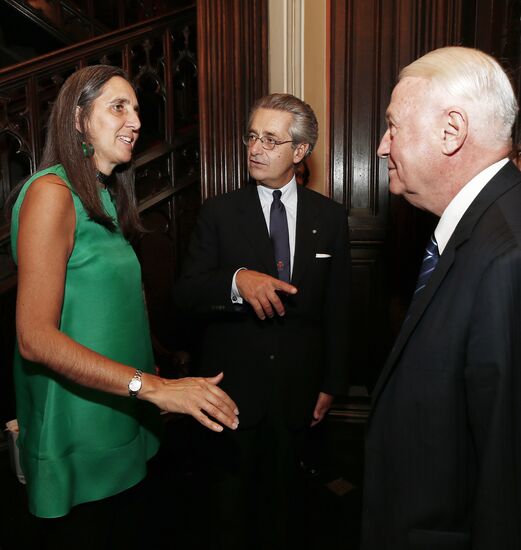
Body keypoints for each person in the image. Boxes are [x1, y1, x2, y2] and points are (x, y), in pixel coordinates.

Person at [8, 64, 238, 549]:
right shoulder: (52, 194)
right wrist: (154, 387)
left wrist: (148, 360)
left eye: (137, 108)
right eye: (118, 107)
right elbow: (35, 338)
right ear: (77, 120)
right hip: (79, 428)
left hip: (121, 412)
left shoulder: (105, 198)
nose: (134, 120)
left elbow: (108, 306)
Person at [174, 93, 350, 549]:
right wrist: (236, 281)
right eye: (252, 136)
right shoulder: (218, 212)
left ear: (299, 152)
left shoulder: (329, 217)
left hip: (299, 392)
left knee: (288, 514)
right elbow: (186, 294)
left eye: (271, 140)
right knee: (227, 515)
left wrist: (332, 383)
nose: (255, 149)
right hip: (231, 394)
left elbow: (338, 307)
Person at [362, 46, 521, 549]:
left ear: (452, 131)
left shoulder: (507, 257)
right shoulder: (480, 228)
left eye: (393, 126)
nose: (383, 147)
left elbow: (506, 473)